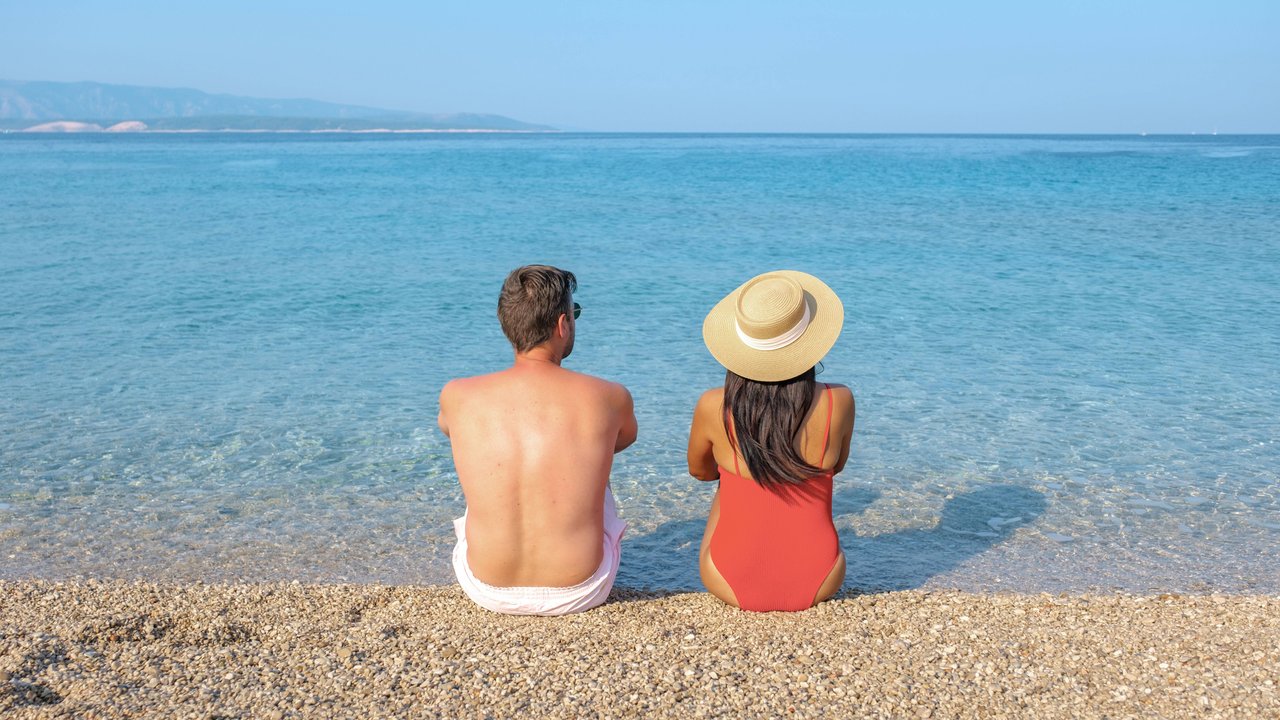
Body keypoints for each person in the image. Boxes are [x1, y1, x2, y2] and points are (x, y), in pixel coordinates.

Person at [438, 265, 637, 615]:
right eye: (574, 314)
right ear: (563, 324)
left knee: (484, 455)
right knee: (595, 460)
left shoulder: (457, 395)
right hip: (584, 586)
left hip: (485, 585)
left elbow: (450, 430)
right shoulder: (610, 397)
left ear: (507, 325)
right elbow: (622, 440)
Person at [686, 270, 855, 611]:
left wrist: (739, 462)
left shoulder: (712, 405)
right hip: (824, 576)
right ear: (810, 341)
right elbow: (835, 467)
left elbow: (700, 472)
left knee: (725, 479)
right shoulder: (840, 401)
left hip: (726, 577)